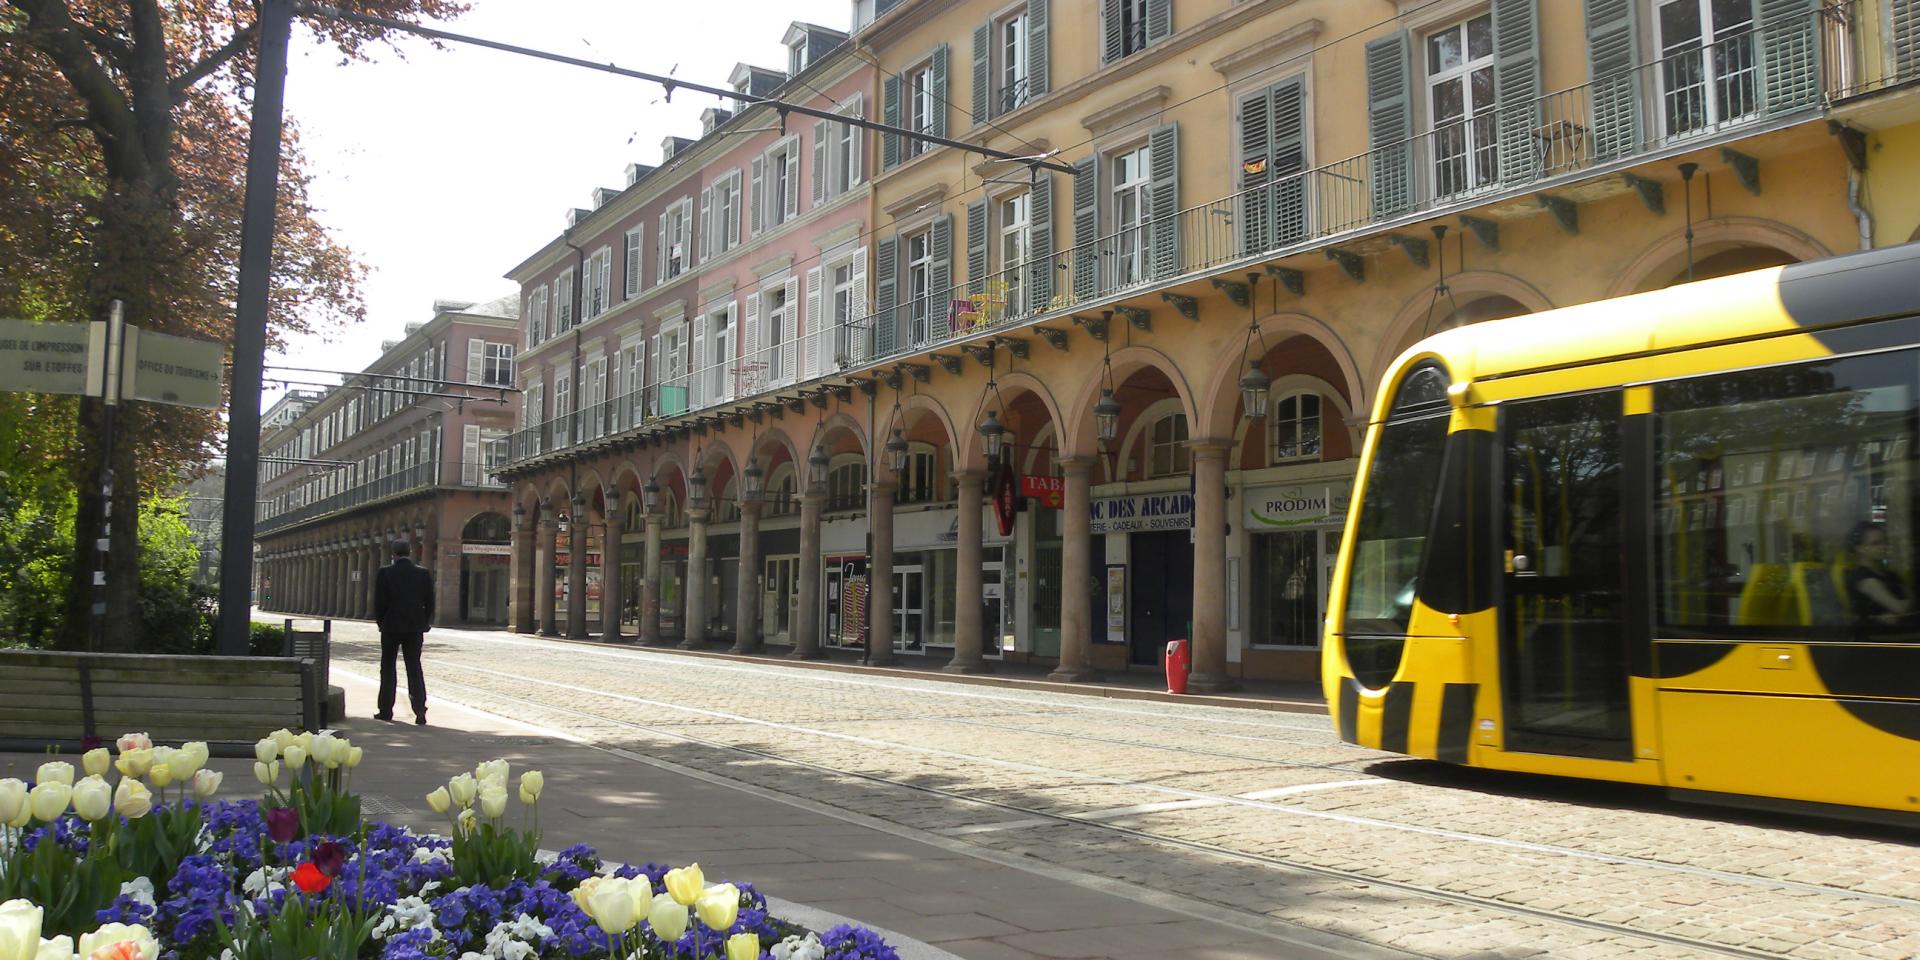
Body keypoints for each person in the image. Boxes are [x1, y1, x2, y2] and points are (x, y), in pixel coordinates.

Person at [373, 539, 434, 724]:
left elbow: (379, 603)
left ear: (394, 554)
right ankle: (420, 710)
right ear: (410, 552)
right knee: (414, 668)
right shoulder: (423, 574)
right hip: (415, 627)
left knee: (388, 668)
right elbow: (430, 601)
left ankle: (385, 710)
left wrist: (381, 623)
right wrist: (425, 622)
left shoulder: (385, 573)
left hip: (391, 626)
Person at [1843, 521, 1912, 640]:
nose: (1884, 546)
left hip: (1898, 636)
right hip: (1875, 641)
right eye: (1876, 543)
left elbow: (1912, 601)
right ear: (1860, 548)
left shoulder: (1891, 574)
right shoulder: (1861, 577)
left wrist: (1902, 611)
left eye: (1884, 542)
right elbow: (1899, 607)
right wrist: (1903, 608)